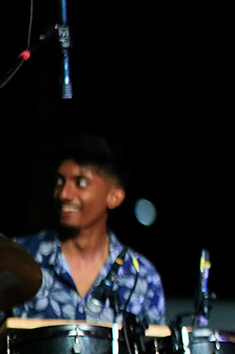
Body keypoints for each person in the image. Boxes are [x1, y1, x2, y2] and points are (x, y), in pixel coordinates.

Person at [6, 134, 165, 324]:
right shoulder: (15, 258)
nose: (64, 193)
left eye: (80, 182)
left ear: (114, 197)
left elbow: (154, 347)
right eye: (60, 181)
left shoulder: (143, 277)